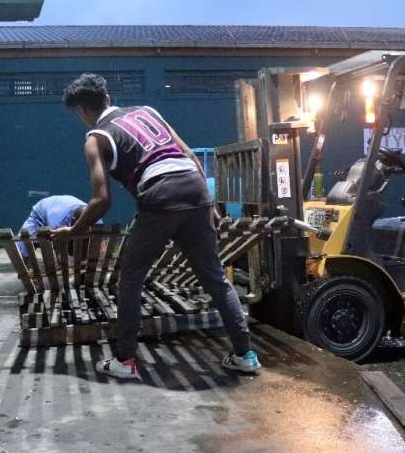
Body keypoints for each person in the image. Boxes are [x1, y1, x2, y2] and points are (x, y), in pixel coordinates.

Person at [58, 73, 260, 379]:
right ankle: (246, 355)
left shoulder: (95, 138)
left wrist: (75, 231)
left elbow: (101, 200)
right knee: (215, 276)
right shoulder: (148, 111)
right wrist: (208, 206)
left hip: (159, 196)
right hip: (195, 189)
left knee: (131, 278)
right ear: (108, 98)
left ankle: (125, 361)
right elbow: (189, 154)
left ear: (82, 111)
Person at [17, 195, 90, 258]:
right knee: (22, 248)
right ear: (74, 220)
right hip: (40, 215)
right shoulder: (57, 220)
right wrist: (62, 264)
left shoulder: (92, 215)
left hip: (65, 208)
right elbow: (58, 247)